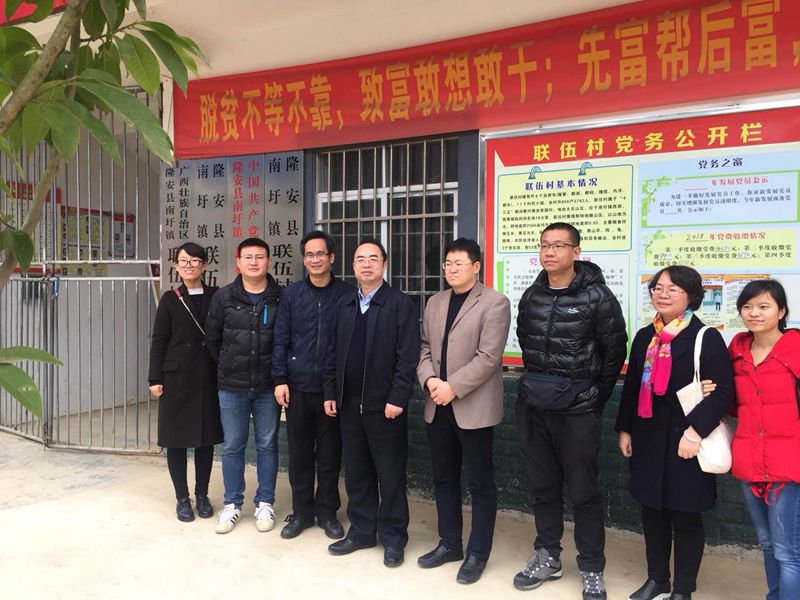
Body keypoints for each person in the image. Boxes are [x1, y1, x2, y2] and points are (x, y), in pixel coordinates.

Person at [514, 222, 627, 600]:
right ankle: (547, 556)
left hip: (577, 410)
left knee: (584, 493)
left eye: (559, 245)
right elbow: (526, 340)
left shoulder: (598, 297)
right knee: (543, 489)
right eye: (545, 245)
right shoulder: (532, 295)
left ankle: (592, 567)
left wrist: (594, 396)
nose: (550, 252)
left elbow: (615, 351)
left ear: (576, 252)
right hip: (534, 407)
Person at [616, 265, 734, 600]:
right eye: (658, 288)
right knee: (652, 512)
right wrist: (625, 429)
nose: (662, 294)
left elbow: (723, 393)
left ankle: (683, 589)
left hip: (687, 441)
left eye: (672, 289)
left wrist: (694, 433)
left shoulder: (705, 337)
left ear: (691, 296)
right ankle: (657, 579)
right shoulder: (645, 336)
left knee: (685, 517)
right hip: (649, 438)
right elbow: (631, 388)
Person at [416, 238, 511, 584]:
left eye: (459, 263)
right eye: (448, 264)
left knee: (480, 483)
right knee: (444, 479)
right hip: (436, 404)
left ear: (476, 266)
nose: (452, 269)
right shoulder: (435, 302)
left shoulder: (495, 302)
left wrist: (452, 386)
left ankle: (477, 553)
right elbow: (424, 347)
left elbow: (489, 357)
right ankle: (449, 543)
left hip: (473, 407)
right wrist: (430, 381)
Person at [323, 238, 420, 568]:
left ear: (384, 265)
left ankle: (393, 538)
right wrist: (330, 393)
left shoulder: (400, 304)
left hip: (385, 407)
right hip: (348, 404)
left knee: (390, 475)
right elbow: (332, 354)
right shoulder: (345, 304)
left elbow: (408, 358)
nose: (366, 264)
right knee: (357, 472)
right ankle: (362, 531)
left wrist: (398, 397)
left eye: (373, 259)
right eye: (360, 259)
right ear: (352, 266)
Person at [702, 279, 800, 600]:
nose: (754, 313)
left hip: (789, 464)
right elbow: (733, 405)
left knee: (788, 551)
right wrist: (712, 391)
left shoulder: (795, 349)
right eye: (747, 307)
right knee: (768, 543)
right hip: (750, 460)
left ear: (781, 312)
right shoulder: (738, 351)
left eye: (763, 306)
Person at [272, 230, 352, 540]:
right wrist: (280, 379)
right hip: (297, 388)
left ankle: (327, 512)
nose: (315, 259)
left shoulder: (346, 295)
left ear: (332, 257)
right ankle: (302, 513)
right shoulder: (291, 294)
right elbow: (281, 338)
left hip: (332, 391)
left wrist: (335, 388)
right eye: (309, 254)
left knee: (330, 456)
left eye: (320, 254)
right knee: (300, 455)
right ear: (304, 259)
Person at [205, 237, 282, 534]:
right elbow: (213, 339)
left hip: (267, 386)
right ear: (238, 262)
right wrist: (228, 364)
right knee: (233, 446)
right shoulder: (224, 297)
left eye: (259, 257)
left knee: (267, 445)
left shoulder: (280, 297)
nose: (254, 262)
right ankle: (232, 503)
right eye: (248, 257)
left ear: (268, 261)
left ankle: (265, 502)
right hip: (232, 386)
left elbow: (285, 339)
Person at [148, 242, 223, 522]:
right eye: (184, 261)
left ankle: (202, 495)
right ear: (176, 266)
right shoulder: (170, 299)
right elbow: (159, 340)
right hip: (176, 378)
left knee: (205, 440)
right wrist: (155, 377)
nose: (189, 265)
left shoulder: (217, 296)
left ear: (204, 265)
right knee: (176, 440)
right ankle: (182, 498)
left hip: (208, 375)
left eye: (195, 260)